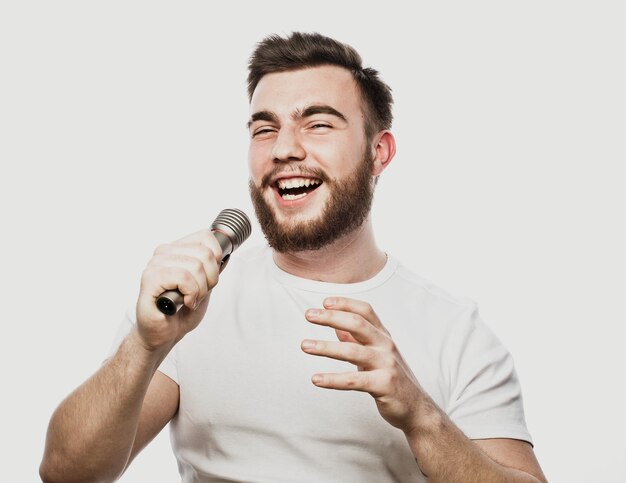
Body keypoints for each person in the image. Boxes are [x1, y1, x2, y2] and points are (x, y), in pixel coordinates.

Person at [40, 32, 547, 482]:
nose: (284, 148)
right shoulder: (189, 302)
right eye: (265, 129)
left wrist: (421, 416)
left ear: (379, 152)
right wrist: (144, 347)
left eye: (318, 124)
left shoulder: (456, 332)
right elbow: (65, 474)